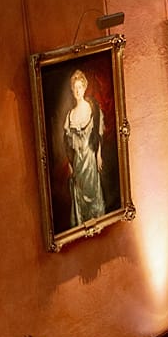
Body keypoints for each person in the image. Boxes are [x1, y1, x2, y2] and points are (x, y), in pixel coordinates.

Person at [62, 68, 105, 226]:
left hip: (90, 158)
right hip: (78, 162)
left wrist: (98, 155)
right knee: (79, 195)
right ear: (72, 90)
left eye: (80, 87)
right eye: (75, 88)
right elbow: (67, 144)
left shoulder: (91, 108)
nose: (77, 91)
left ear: (84, 88)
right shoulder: (70, 115)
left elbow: (98, 133)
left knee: (93, 193)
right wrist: (70, 163)